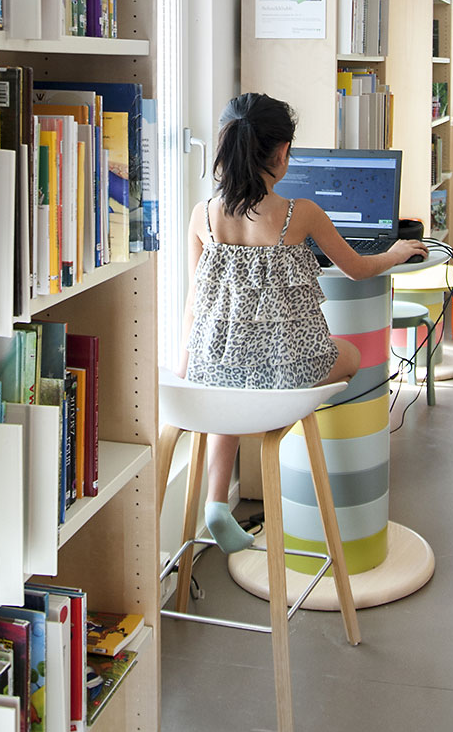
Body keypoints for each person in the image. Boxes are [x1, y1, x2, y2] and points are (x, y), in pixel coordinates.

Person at [178, 92, 428, 553]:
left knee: (227, 379)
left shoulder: (202, 216)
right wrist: (394, 253)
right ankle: (309, 444)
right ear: (282, 153)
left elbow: (195, 303)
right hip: (285, 383)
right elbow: (358, 269)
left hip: (217, 383)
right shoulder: (300, 213)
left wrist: (186, 368)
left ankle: (216, 502)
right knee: (350, 353)